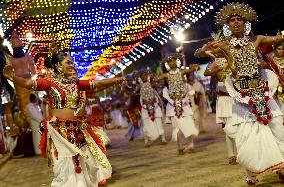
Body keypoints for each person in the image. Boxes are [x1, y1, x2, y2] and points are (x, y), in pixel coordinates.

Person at [3, 52, 125, 187]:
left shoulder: (76, 84)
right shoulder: (50, 83)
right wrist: (11, 77)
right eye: (68, 62)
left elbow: (98, 84)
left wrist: (115, 80)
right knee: (65, 158)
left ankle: (81, 183)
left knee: (83, 157)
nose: (71, 65)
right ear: (57, 65)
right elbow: (27, 83)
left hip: (77, 127)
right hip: (59, 129)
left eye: (71, 62)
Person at [195, 2, 284, 185]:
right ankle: (251, 174)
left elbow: (276, 39)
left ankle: (280, 167)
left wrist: (280, 36)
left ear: (246, 24)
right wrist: (204, 49)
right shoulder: (224, 44)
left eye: (239, 20)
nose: (236, 23)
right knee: (248, 135)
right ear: (227, 26)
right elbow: (198, 54)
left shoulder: (256, 40)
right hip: (241, 95)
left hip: (261, 91)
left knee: (277, 129)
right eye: (232, 20)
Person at [157, 55, 199, 155]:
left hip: (184, 102)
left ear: (177, 62)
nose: (173, 63)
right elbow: (156, 79)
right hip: (172, 105)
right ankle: (179, 147)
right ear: (168, 64)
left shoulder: (182, 72)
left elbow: (191, 70)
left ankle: (191, 144)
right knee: (177, 127)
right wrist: (155, 78)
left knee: (188, 123)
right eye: (170, 62)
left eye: (174, 61)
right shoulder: (166, 75)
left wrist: (195, 67)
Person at [204, 57, 238, 165]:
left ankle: (240, 152)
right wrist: (219, 68)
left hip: (236, 96)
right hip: (224, 98)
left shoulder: (232, 57)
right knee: (228, 127)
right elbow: (206, 73)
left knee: (239, 125)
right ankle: (231, 154)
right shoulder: (216, 62)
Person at [138, 70, 167, 147]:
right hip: (144, 107)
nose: (144, 77)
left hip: (155, 105)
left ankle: (163, 138)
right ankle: (146, 141)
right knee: (146, 124)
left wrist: (155, 80)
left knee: (159, 123)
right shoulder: (138, 86)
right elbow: (134, 94)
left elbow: (159, 87)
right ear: (140, 77)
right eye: (142, 75)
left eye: (145, 75)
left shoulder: (153, 84)